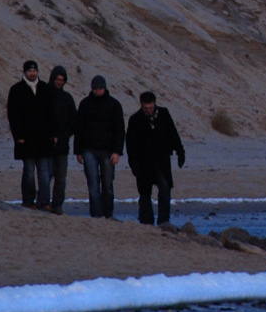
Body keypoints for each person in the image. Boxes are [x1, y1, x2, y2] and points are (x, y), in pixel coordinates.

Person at [125, 91, 185, 225]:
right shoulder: (135, 119)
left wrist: (180, 152)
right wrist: (133, 162)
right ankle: (146, 221)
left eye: (151, 108)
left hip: (162, 160)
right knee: (145, 193)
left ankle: (164, 220)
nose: (149, 110)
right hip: (143, 162)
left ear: (154, 104)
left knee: (165, 188)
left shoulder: (163, 114)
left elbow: (173, 133)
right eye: (146, 108)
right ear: (141, 105)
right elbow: (131, 144)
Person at [74, 75, 125, 219]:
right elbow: (79, 129)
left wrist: (117, 152)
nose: (98, 91)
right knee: (93, 184)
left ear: (105, 88)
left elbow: (119, 130)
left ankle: (108, 214)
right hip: (89, 149)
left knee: (107, 184)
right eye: (95, 88)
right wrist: (78, 151)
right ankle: (96, 214)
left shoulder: (114, 105)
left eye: (100, 88)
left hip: (108, 151)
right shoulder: (85, 104)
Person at [6, 60, 50, 209]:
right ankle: (28, 201)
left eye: (34, 70)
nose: (32, 73)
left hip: (43, 139)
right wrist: (18, 135)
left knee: (44, 172)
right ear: (24, 72)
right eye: (30, 71)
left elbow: (51, 114)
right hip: (26, 139)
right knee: (29, 172)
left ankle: (44, 201)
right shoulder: (17, 90)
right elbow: (13, 115)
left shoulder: (45, 88)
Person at [41, 65, 78, 215]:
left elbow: (74, 122)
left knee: (61, 179)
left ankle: (57, 206)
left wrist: (63, 136)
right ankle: (43, 202)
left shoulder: (67, 98)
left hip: (62, 146)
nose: (59, 82)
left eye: (62, 80)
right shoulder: (44, 95)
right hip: (46, 145)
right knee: (45, 176)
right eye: (57, 79)